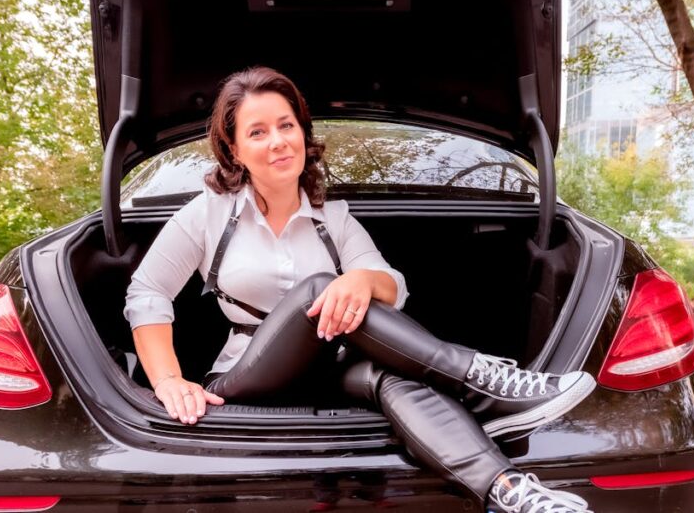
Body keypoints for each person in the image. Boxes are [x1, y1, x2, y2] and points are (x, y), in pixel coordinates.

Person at [124, 66, 596, 513]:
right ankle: (481, 378)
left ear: (304, 134)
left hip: (332, 372)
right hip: (245, 381)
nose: (278, 142)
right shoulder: (208, 212)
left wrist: (362, 280)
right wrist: (167, 380)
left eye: (287, 126)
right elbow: (146, 290)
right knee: (319, 290)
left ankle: (510, 490)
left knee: (392, 377)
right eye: (257, 132)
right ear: (233, 149)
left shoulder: (335, 217)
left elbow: (395, 288)